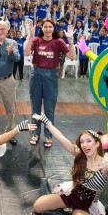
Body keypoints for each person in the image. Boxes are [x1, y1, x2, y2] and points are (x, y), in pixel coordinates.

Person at [24, 18, 76, 148]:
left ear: (54, 29)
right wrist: (31, 36)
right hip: (36, 74)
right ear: (41, 28)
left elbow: (72, 56)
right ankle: (35, 133)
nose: (47, 29)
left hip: (51, 75)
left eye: (50, 27)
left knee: (49, 108)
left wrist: (70, 40)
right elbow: (26, 53)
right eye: (45, 27)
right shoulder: (36, 40)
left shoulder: (58, 42)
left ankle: (48, 135)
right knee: (35, 106)